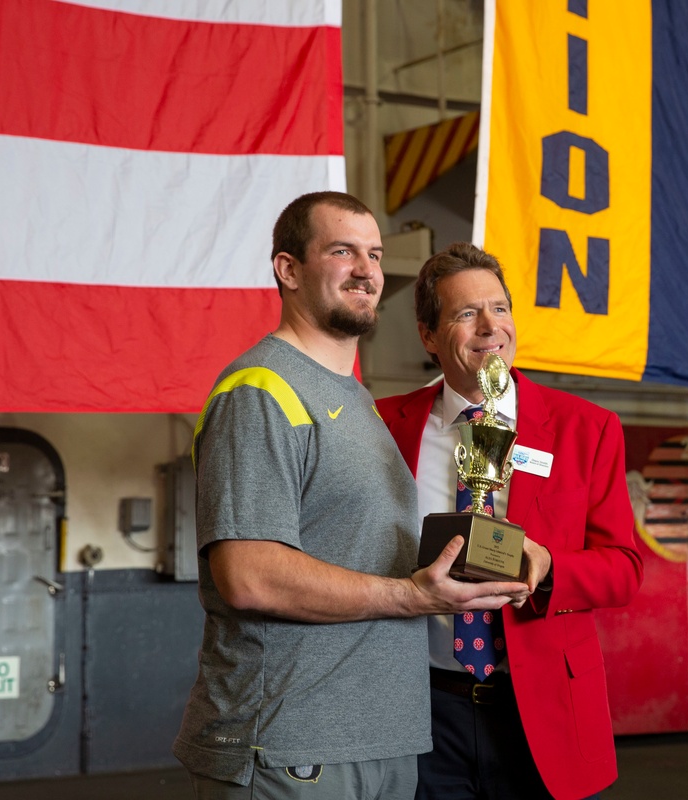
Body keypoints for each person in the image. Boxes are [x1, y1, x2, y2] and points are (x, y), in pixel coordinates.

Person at [173, 195, 528, 800]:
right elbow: (250, 577)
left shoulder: (359, 402)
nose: (366, 269)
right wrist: (412, 596)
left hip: (381, 742)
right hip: (289, 747)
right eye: (342, 251)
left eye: (375, 253)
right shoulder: (262, 390)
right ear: (288, 270)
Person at [376, 242, 645, 800]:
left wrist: (548, 567)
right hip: (420, 709)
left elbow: (625, 568)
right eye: (465, 313)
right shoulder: (383, 426)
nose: (489, 328)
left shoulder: (585, 429)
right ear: (429, 336)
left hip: (543, 710)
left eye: (499, 308)